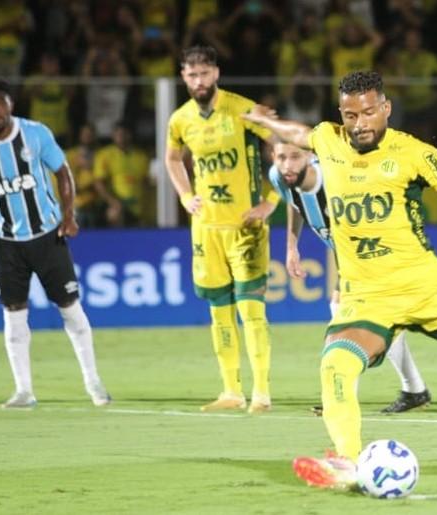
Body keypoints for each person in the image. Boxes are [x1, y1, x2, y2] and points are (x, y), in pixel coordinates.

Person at [243, 70, 437, 490]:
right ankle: (349, 465)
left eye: (369, 112)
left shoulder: (414, 153)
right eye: (350, 115)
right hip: (366, 298)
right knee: (335, 364)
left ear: (385, 108)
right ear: (341, 115)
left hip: (427, 289)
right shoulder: (327, 139)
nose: (360, 124)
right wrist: (264, 121)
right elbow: (296, 132)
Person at [0, 79, 111, 409]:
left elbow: (63, 172)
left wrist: (69, 216)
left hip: (47, 236)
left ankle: (93, 381)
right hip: (6, 242)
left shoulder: (35, 133)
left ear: (11, 104)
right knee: (14, 314)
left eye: (0, 103)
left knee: (70, 307)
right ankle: (24, 390)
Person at [263, 140, 433, 414]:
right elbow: (295, 204)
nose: (287, 164)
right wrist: (291, 246)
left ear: (310, 156)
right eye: (281, 157)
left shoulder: (332, 177)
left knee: (348, 317)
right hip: (348, 254)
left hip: (373, 250)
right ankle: (414, 389)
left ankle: (340, 397)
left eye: (295, 157)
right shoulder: (279, 177)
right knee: (375, 319)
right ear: (273, 156)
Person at [164, 46, 282, 414]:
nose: (198, 80)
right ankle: (231, 390)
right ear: (183, 77)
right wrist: (185, 196)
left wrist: (271, 201)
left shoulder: (242, 109)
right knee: (219, 310)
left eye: (204, 73)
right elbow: (171, 157)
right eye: (191, 74)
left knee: (251, 310)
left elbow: (282, 146)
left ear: (216, 73)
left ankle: (261, 393)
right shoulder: (180, 120)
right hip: (206, 229)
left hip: (245, 226)